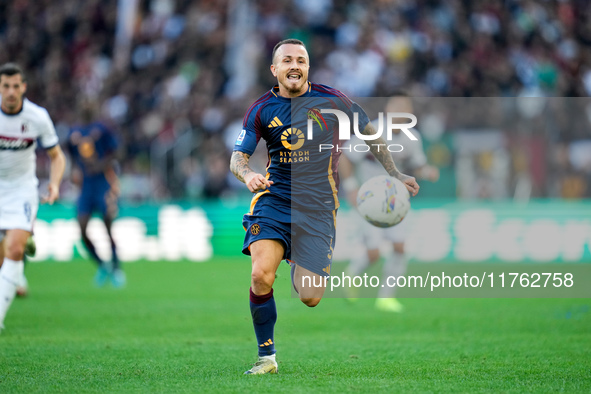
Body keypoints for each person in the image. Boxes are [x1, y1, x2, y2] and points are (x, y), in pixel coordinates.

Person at [229, 39, 420, 375]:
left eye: (301, 60)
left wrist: (395, 172)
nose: (295, 66)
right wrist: (248, 175)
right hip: (274, 200)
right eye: (287, 60)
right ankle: (267, 358)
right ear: (274, 70)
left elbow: (370, 132)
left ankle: (292, 253)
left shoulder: (332, 100)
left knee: (310, 296)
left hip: (318, 208)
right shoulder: (261, 109)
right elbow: (238, 157)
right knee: (261, 275)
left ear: (307, 68)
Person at [340, 92, 439, 312]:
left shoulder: (413, 137)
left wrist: (427, 171)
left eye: (405, 107)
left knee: (400, 247)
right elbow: (346, 157)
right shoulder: (371, 131)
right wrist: (350, 187)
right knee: (374, 253)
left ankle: (386, 298)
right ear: (388, 109)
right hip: (369, 201)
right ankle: (351, 276)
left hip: (397, 200)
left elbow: (417, 165)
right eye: (396, 106)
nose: (400, 111)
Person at [0, 63, 66, 332]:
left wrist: (54, 184)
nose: (11, 91)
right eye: (6, 86)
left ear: (24, 87)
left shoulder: (37, 116)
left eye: (16, 86)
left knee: (13, 249)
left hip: (22, 190)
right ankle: (24, 238)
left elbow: (56, 155)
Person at [66, 99, 124, 287]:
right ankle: (102, 265)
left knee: (108, 224)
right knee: (82, 230)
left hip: (103, 184)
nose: (86, 107)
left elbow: (116, 151)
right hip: (86, 187)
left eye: (89, 104)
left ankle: (116, 267)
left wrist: (101, 165)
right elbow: (71, 155)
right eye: (83, 104)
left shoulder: (103, 129)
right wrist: (75, 171)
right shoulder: (73, 132)